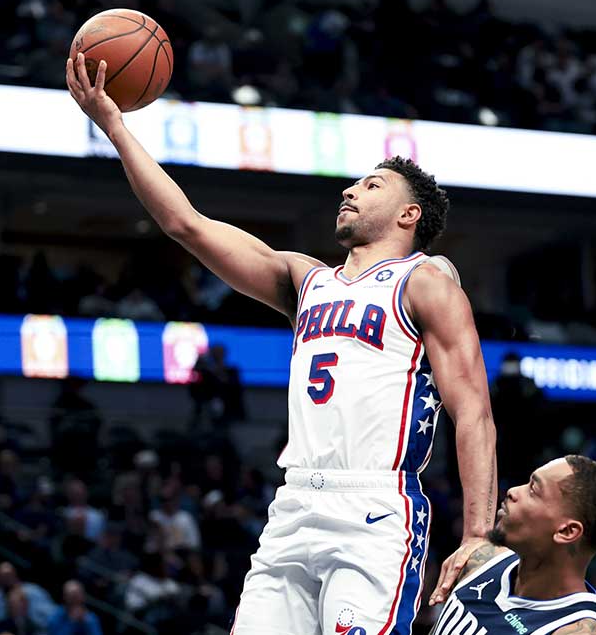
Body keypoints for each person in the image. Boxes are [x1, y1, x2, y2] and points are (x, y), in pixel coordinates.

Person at [68, 53, 497, 634]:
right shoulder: (304, 278)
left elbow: (472, 411)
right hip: (295, 504)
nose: (350, 191)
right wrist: (116, 127)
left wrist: (476, 535)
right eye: (353, 182)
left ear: (408, 214)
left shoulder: (426, 285)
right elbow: (187, 225)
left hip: (375, 506)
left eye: (371, 186)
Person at [429, 456, 596, 635]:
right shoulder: (481, 558)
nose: (513, 491)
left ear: (566, 532)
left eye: (533, 490)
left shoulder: (577, 630)